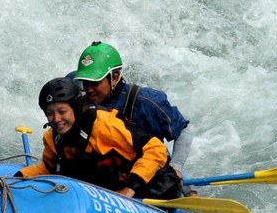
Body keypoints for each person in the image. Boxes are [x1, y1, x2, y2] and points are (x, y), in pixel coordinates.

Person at [16, 77, 181, 200]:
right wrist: (17, 178)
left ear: (75, 108)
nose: (56, 119)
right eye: (50, 113)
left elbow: (156, 148)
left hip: (151, 185)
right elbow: (48, 169)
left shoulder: (105, 126)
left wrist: (131, 188)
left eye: (62, 111)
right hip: (111, 191)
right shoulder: (53, 139)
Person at [72, 41, 197, 196]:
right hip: (112, 174)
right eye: (86, 82)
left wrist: (177, 166)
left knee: (174, 177)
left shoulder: (146, 101)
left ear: (115, 77)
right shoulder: (81, 106)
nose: (89, 89)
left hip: (151, 168)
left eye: (95, 83)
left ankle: (189, 191)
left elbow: (183, 131)